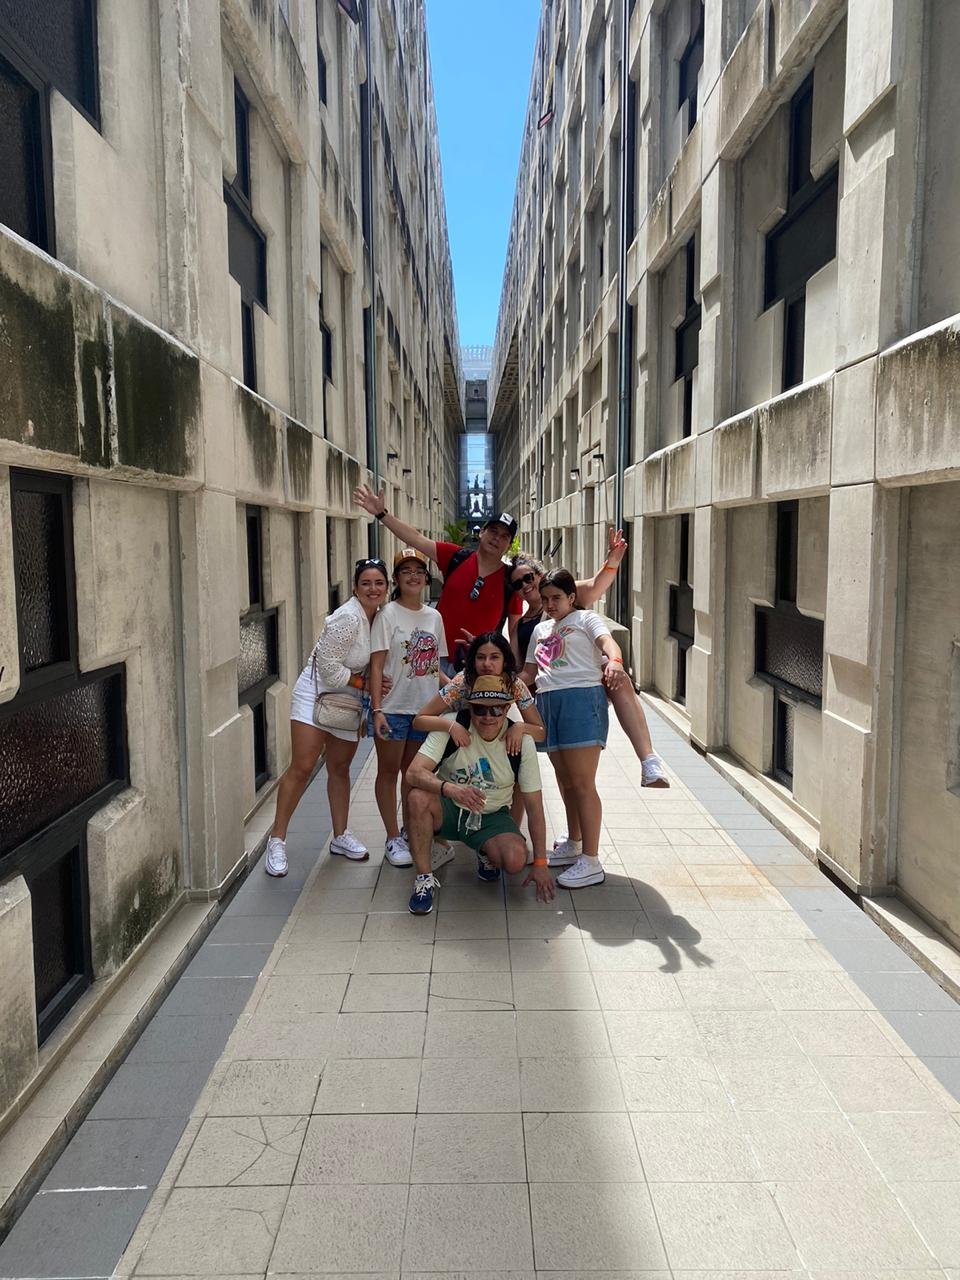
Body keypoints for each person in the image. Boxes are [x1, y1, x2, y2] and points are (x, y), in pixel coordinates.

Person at [509, 531, 670, 793]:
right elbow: (523, 669)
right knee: (565, 778)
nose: (525, 585)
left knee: (617, 676)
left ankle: (648, 759)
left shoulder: (566, 596)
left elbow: (597, 584)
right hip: (549, 694)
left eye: (528, 578)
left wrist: (613, 560)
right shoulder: (524, 626)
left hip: (582, 685)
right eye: (517, 584)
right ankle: (574, 823)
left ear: (539, 575)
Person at [264, 558, 389, 876]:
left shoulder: (381, 617)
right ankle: (276, 840)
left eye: (379, 583)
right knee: (303, 767)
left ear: (387, 587)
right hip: (316, 693)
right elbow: (329, 668)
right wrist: (366, 684)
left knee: (340, 767)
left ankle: (340, 835)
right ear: (355, 588)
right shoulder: (347, 617)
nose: (373, 589)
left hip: (348, 700)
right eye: (366, 583)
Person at [404, 675, 553, 914]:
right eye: (479, 709)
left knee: (515, 859)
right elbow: (413, 773)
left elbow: (535, 807)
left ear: (507, 708)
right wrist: (451, 789)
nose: (488, 717)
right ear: (469, 707)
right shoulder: (452, 725)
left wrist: (541, 862)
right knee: (417, 797)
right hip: (450, 808)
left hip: (491, 815)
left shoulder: (520, 740)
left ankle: (485, 850)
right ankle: (424, 877)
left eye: (496, 709)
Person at [520, 568, 626, 889]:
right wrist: (498, 681)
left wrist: (615, 661)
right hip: (547, 704)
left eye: (557, 598)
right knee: (565, 781)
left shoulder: (586, 619)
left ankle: (591, 861)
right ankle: (574, 843)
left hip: (581, 700)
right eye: (545, 598)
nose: (550, 604)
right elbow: (528, 673)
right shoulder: (540, 629)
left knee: (582, 783)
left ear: (571, 597)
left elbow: (608, 643)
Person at [353, 483, 523, 671]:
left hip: (480, 666)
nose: (497, 538)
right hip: (433, 659)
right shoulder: (456, 557)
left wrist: (514, 669)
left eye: (504, 536)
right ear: (482, 532)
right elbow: (416, 538)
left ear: (509, 545)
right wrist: (382, 514)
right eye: (493, 531)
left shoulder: (511, 580)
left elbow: (514, 630)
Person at [368, 549, 449, 868]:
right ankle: (392, 837)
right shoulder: (387, 614)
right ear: (396, 579)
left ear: (426, 578)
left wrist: (456, 687)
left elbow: (434, 667)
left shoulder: (434, 617)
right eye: (406, 571)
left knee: (414, 775)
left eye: (418, 571)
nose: (413, 576)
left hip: (424, 712)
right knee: (388, 772)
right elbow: (377, 666)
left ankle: (409, 829)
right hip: (393, 709)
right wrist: (377, 709)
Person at [414, 631, 544, 747]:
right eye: (480, 657)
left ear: (505, 661)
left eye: (494, 657)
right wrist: (451, 726)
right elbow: (419, 720)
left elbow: (540, 733)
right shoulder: (463, 681)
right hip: (462, 742)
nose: (486, 664)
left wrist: (520, 727)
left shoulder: (514, 684)